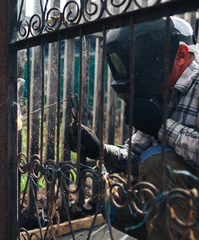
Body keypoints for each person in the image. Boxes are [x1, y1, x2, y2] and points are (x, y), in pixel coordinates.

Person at [69, 16, 199, 239]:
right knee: (113, 204)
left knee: (158, 162)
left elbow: (153, 158)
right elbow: (135, 154)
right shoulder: (161, 92)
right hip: (179, 201)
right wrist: (99, 149)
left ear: (181, 55)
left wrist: (161, 126)